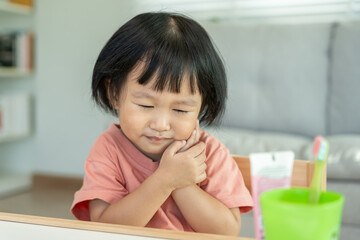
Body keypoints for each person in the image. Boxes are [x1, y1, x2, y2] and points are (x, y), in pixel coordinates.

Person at [71, 12, 253, 236]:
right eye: (146, 106)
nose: (160, 124)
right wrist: (164, 180)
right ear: (114, 94)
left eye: (180, 110)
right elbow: (104, 228)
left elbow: (227, 231)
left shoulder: (210, 153)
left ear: (202, 105)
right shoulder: (109, 149)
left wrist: (182, 183)